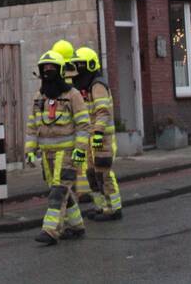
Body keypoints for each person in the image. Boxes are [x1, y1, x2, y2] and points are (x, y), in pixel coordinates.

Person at [24, 49, 91, 245]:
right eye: (45, 68)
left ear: (61, 70)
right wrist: (29, 151)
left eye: (52, 67)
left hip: (68, 155)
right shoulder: (39, 97)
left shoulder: (73, 95)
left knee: (58, 193)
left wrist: (80, 151)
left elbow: (83, 125)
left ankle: (50, 230)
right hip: (47, 156)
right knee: (63, 191)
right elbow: (32, 125)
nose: (48, 71)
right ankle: (77, 226)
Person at [72, 47, 123, 221]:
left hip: (101, 139)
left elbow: (103, 112)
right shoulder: (86, 87)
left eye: (80, 65)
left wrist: (98, 132)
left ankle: (114, 208)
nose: (77, 69)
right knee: (92, 175)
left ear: (90, 66)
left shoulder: (97, 85)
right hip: (90, 140)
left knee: (104, 174)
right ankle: (100, 206)